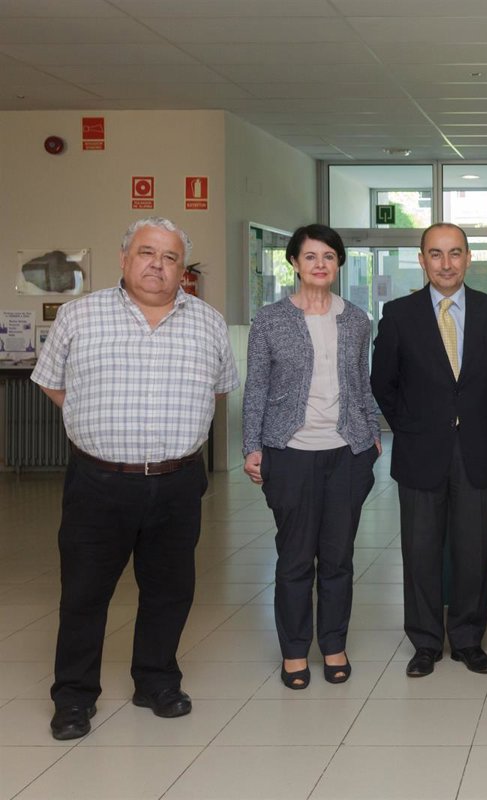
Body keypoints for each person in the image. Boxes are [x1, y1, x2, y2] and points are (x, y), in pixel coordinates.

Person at [31, 217, 239, 740]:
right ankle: (74, 697)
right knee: (84, 593)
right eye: (147, 253)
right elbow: (52, 383)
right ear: (124, 259)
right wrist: (93, 424)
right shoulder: (79, 316)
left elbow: (218, 389)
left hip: (177, 481)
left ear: (182, 269)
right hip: (98, 482)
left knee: (170, 590)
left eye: (170, 257)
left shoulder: (208, 322)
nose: (157, 265)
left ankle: (156, 681)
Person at [371, 222, 487, 677]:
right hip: (420, 452)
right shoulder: (399, 314)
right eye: (436, 254)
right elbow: (382, 382)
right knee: (421, 552)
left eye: (455, 253)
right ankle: (426, 642)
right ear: (422, 260)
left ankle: (468, 640)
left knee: (473, 553)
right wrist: (413, 427)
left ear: (468, 259)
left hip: (475, 450)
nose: (446, 264)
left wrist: (473, 423)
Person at [242, 224, 380, 691]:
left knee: (339, 558)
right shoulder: (270, 320)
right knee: (296, 558)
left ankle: (334, 645)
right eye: (310, 256)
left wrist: (372, 433)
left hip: (347, 453)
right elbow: (256, 387)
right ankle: (295, 650)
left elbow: (362, 381)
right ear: (294, 264)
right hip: (290, 453)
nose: (320, 264)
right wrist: (252, 446)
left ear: (338, 264)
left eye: (328, 256)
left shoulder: (357, 319)